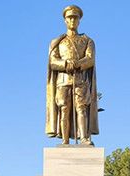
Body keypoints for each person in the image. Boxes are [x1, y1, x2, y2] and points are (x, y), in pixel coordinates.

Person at [46, 4, 99, 145]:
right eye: (69, 18)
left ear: (79, 20)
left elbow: (90, 59)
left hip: (80, 80)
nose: (72, 21)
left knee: (81, 108)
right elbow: (52, 61)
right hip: (63, 81)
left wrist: (77, 64)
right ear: (65, 20)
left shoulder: (87, 41)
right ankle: (64, 140)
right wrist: (65, 64)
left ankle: (83, 138)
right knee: (64, 109)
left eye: (75, 18)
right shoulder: (57, 42)